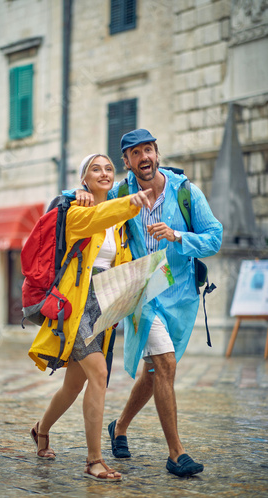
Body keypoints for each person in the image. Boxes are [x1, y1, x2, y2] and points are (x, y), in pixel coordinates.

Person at [73, 129, 223, 477]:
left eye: (149, 150)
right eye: (135, 153)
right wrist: (79, 192)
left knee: (154, 371)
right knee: (166, 363)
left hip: (181, 294)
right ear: (126, 161)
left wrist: (177, 235)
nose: (144, 158)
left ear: (157, 153)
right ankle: (176, 454)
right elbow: (83, 196)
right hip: (141, 292)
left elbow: (215, 237)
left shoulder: (186, 193)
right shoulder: (122, 192)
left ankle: (120, 426)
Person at [28, 153, 151, 482]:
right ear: (84, 178)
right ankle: (94, 460)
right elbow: (100, 217)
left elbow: (119, 264)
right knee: (99, 373)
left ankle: (41, 429)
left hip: (105, 306)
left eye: (109, 168)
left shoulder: (120, 223)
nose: (105, 173)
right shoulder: (77, 211)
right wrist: (131, 202)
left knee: (74, 385)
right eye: (95, 169)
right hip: (77, 307)